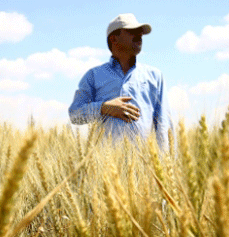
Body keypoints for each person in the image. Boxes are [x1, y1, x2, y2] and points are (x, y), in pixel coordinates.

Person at [69, 13, 174, 148]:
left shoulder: (155, 76)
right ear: (113, 39)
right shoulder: (93, 76)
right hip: (106, 165)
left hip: (145, 164)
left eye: (140, 32)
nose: (139, 35)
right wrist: (104, 108)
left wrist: (167, 164)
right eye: (132, 31)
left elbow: (164, 124)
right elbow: (75, 114)